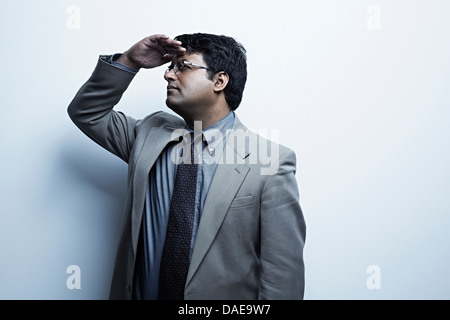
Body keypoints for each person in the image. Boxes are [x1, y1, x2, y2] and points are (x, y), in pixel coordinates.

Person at [67, 33, 306, 300]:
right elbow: (87, 112)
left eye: (183, 66)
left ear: (219, 80)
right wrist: (129, 61)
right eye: (170, 67)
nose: (168, 75)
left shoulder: (270, 161)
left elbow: (283, 278)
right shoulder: (148, 133)